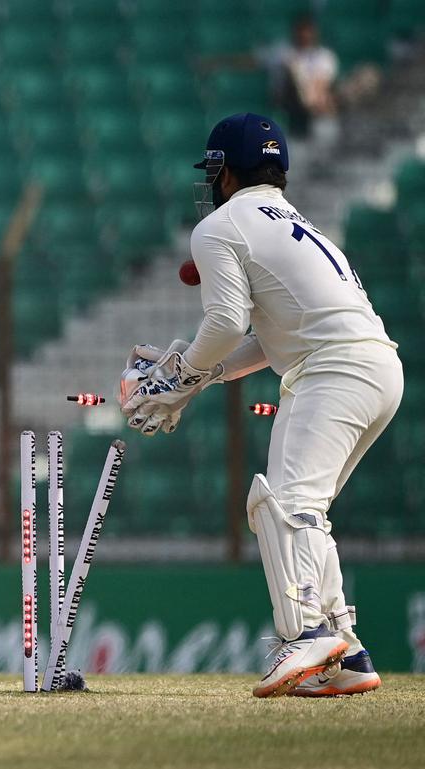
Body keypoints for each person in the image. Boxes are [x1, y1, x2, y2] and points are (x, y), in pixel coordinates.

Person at [120, 113, 400, 697]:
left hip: (333, 369)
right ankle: (346, 651)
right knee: (308, 509)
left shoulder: (223, 226)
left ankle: (305, 633)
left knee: (281, 503)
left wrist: (176, 377)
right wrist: (192, 380)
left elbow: (223, 321)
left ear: (224, 171)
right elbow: (262, 341)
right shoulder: (297, 223)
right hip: (376, 367)